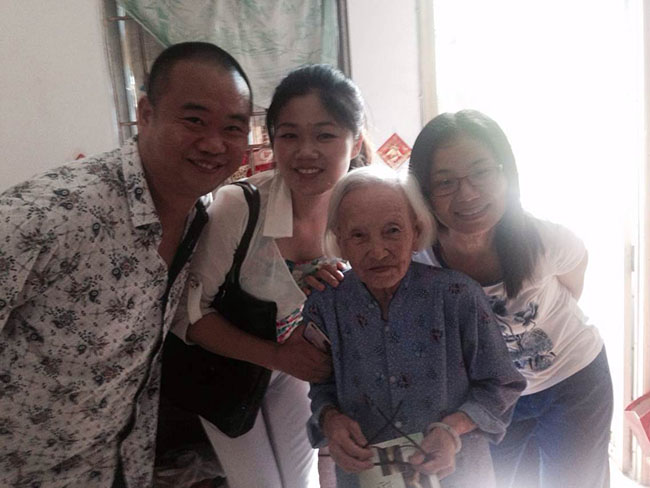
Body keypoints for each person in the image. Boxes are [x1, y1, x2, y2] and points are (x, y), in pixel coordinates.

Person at [0, 42, 252, 487]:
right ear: (146, 114)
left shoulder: (200, 216)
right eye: (194, 120)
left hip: (120, 463)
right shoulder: (49, 217)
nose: (215, 144)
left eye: (232, 128)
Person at [172, 64, 370, 488]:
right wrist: (277, 356)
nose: (305, 152)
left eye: (325, 135)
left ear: (355, 141)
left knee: (301, 481)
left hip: (296, 370)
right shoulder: (238, 206)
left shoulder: (363, 213)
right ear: (272, 139)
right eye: (289, 135)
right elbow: (189, 315)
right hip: (226, 370)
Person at [409, 109, 613, 488]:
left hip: (574, 379)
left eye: (481, 172)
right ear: (424, 192)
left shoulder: (543, 239)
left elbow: (574, 277)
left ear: (506, 173)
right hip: (494, 399)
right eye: (445, 182)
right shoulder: (419, 260)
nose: (468, 193)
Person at [304, 165, 526, 488]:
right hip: (366, 473)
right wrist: (330, 419)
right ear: (340, 239)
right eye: (358, 235)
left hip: (456, 470)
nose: (378, 251)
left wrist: (451, 430)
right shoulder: (325, 305)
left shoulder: (457, 296)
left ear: (416, 231)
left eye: (393, 230)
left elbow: (501, 384)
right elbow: (321, 384)